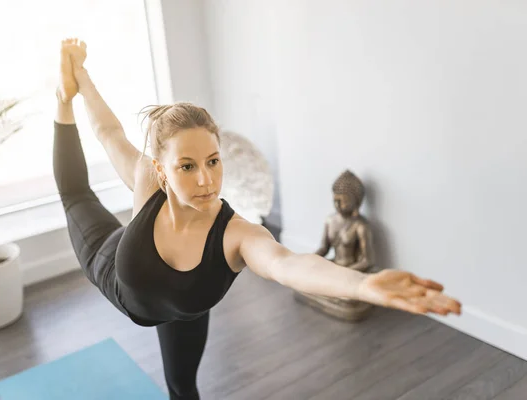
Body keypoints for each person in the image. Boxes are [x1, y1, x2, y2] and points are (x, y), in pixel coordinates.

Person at [53, 38, 462, 400]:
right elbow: (109, 131)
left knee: (182, 388)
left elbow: (287, 265)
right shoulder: (146, 182)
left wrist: (364, 284)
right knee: (74, 194)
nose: (206, 179)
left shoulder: (235, 235)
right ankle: (60, 95)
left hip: (181, 310)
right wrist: (79, 79)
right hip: (113, 272)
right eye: (187, 166)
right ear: (162, 170)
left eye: (213, 161)